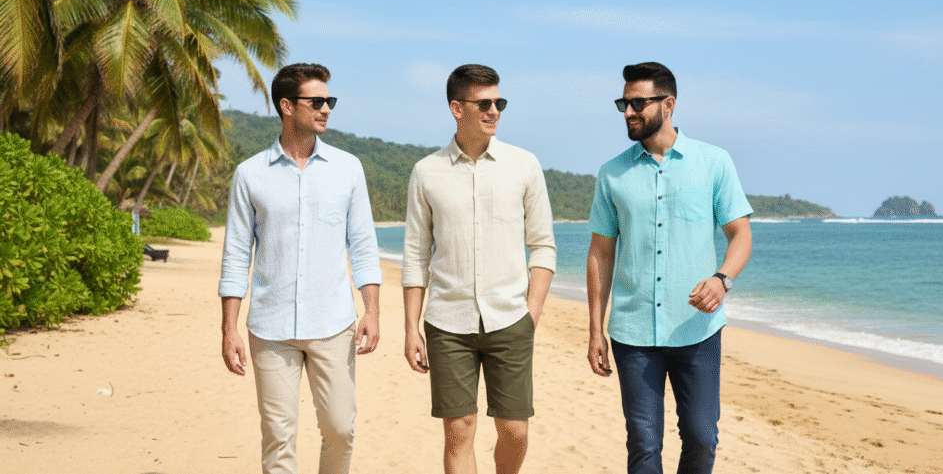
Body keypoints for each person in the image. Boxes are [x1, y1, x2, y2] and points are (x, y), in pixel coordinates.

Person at [586, 62, 753, 474]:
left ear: (669, 104)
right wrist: (594, 331)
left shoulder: (713, 162)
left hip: (696, 329)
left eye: (637, 103)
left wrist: (722, 280)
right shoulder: (612, 174)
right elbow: (600, 254)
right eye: (624, 104)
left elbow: (741, 235)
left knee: (701, 438)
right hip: (633, 332)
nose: (628, 112)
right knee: (643, 444)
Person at [219, 63, 382, 474]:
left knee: (341, 429)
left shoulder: (348, 168)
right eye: (317, 101)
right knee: (278, 437)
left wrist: (373, 311)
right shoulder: (250, 174)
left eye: (330, 100)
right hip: (271, 328)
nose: (326, 109)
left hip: (334, 324)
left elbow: (363, 246)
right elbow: (236, 255)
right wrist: (229, 328)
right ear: (287, 106)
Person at [402, 64, 557, 474]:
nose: (494, 111)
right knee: (459, 429)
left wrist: (532, 313)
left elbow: (543, 246)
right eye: (484, 103)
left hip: (511, 319)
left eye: (499, 102)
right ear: (457, 108)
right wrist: (411, 328)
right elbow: (416, 255)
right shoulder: (426, 171)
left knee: (515, 430)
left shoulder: (524, 165)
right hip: (447, 322)